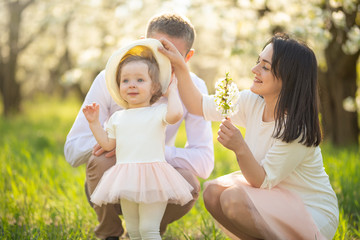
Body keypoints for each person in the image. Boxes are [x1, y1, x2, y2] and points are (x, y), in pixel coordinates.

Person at [159, 33, 339, 239]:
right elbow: (198, 105)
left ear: (288, 78)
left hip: (308, 211)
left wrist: (239, 147)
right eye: (257, 62)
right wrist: (181, 66)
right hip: (273, 196)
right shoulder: (251, 102)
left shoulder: (296, 129)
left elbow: (261, 180)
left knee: (233, 199)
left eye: (265, 67)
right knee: (213, 194)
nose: (254, 70)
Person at [64, 13, 214, 240]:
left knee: (190, 184)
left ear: (188, 57)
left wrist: (152, 151)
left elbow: (204, 163)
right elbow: (73, 151)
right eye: (156, 53)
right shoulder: (112, 79)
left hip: (159, 178)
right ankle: (109, 234)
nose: (161, 64)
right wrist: (123, 143)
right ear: (141, 42)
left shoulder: (194, 88)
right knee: (100, 160)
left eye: (172, 58)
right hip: (116, 177)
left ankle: (151, 231)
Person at [82, 39, 194, 240]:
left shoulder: (158, 111)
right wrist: (94, 123)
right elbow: (107, 144)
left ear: (154, 88)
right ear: (119, 86)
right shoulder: (117, 117)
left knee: (149, 229)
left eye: (140, 80)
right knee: (133, 231)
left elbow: (176, 114)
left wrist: (173, 91)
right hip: (126, 177)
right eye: (125, 80)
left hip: (153, 178)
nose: (132, 85)